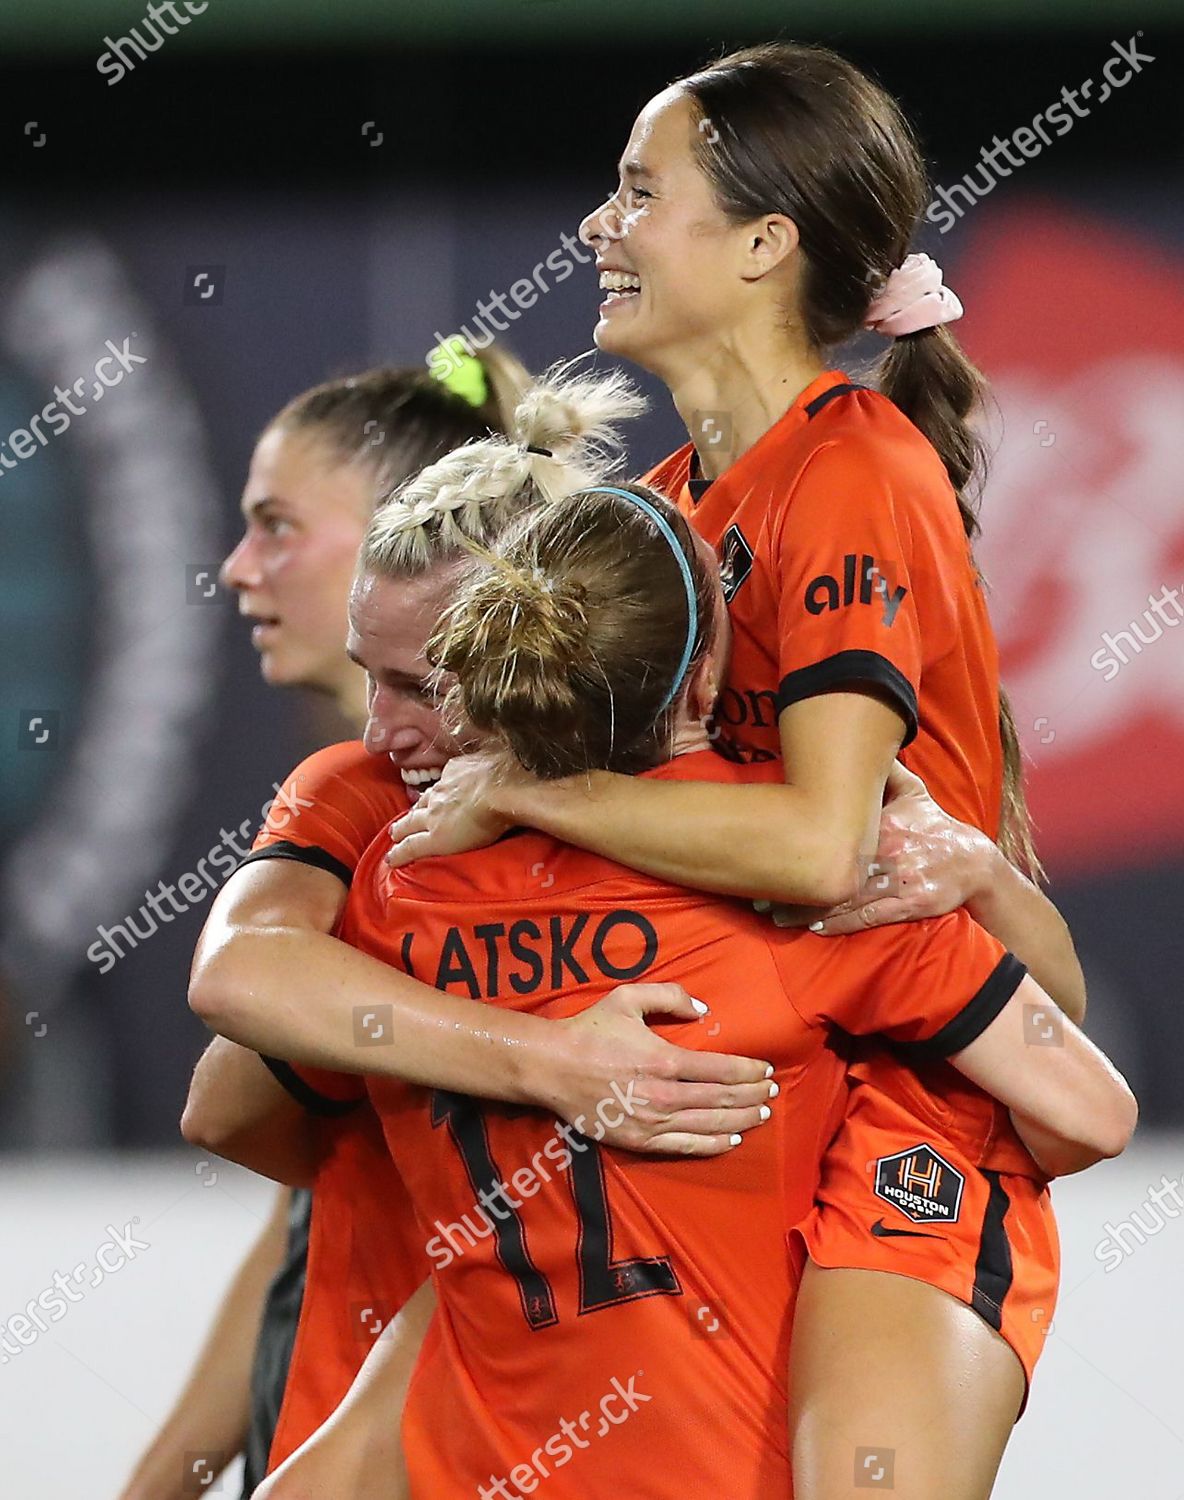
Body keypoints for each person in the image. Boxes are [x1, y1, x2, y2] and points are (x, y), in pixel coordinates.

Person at [383, 42, 1094, 1496]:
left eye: (642, 193)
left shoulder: (850, 470)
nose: (602, 226)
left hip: (910, 1105)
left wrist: (529, 793)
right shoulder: (658, 509)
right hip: (758, 1098)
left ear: (767, 245)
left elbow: (829, 850)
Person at [250, 444, 1133, 1498]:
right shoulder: (816, 897)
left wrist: (517, 1058)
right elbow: (1088, 1111)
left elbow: (230, 1106)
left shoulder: (393, 896)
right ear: (714, 679)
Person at [180, 362, 779, 1496]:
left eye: (420, 682)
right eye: (373, 678)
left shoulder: (749, 840)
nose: (382, 726)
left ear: (532, 643)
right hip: (439, 1408)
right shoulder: (368, 806)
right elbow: (230, 1051)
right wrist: (545, 1063)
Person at [118, 341, 533, 1500]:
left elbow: (233, 1102)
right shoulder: (345, 811)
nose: (239, 568)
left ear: (406, 528)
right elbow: (304, 1213)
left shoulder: (407, 815)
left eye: (277, 525)